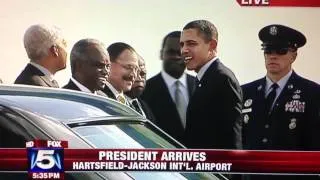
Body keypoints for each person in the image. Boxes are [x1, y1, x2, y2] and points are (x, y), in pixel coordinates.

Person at [241, 24, 320, 180]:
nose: (273, 56)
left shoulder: (312, 93)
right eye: (268, 51)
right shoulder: (245, 92)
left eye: (281, 51)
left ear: (294, 56)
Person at [180, 20, 243, 149]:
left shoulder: (222, 79)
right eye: (182, 44)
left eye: (191, 44)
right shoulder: (204, 78)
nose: (184, 50)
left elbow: (232, 137)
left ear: (212, 45)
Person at [141, 31, 196, 143]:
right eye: (171, 52)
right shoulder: (145, 90)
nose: (176, 57)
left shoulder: (201, 86)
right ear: (161, 54)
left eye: (180, 53)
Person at [103, 42, 139, 107]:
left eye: (136, 69)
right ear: (108, 65)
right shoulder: (97, 97)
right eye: (129, 67)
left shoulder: (133, 103)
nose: (133, 74)